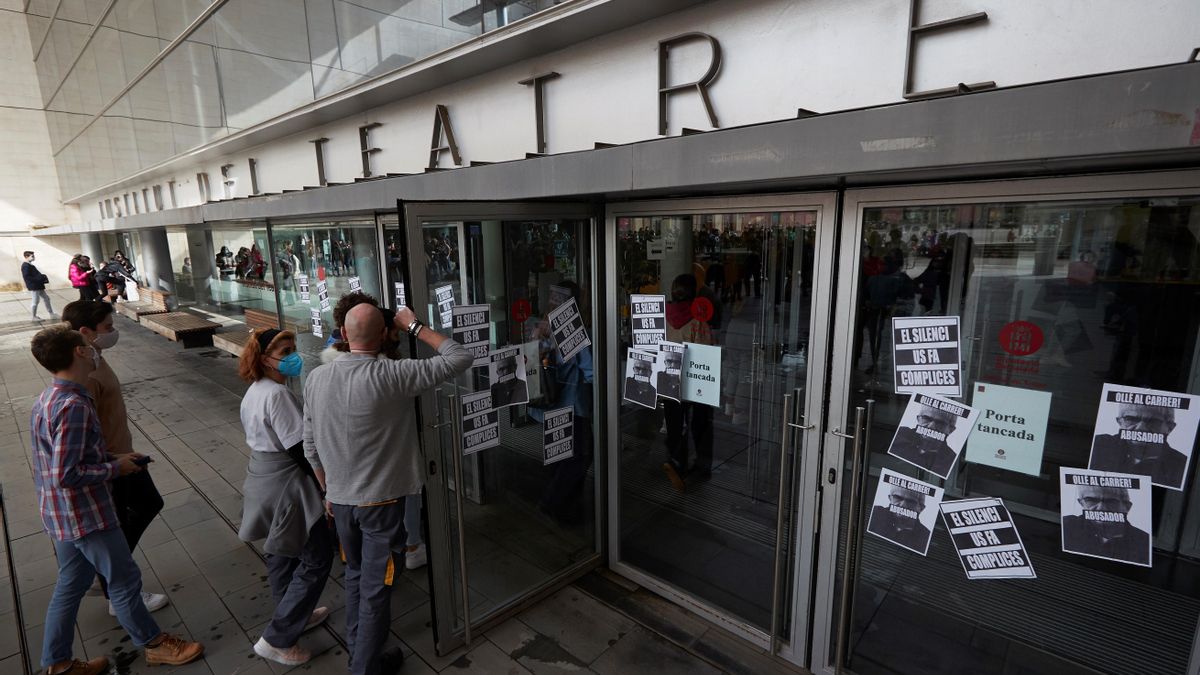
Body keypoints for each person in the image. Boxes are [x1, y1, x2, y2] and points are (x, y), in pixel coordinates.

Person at [304, 303, 472, 675]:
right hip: (381, 504)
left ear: (343, 335)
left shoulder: (317, 379)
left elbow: (309, 445)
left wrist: (328, 491)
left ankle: (361, 655)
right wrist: (414, 325)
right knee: (376, 588)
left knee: (354, 578)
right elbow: (459, 357)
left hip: (341, 503)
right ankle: (364, 668)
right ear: (383, 335)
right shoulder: (394, 374)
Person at [29, 325, 203, 675]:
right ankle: (154, 644)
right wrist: (115, 468)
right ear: (79, 352)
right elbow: (67, 473)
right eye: (87, 345)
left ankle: (59, 664)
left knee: (71, 583)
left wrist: (114, 458)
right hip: (86, 514)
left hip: (60, 514)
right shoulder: (73, 406)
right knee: (123, 579)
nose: (94, 349)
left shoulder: (48, 398)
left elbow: (66, 459)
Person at [61, 301, 170, 616]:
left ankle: (106, 573)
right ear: (86, 332)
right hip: (112, 463)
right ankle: (116, 590)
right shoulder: (87, 375)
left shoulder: (95, 357)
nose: (113, 332)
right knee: (123, 521)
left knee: (146, 506)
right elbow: (84, 431)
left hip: (123, 455)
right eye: (107, 327)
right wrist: (111, 462)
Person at [237, 328, 333, 667]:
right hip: (286, 485)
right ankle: (279, 638)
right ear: (265, 359)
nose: (293, 356)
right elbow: (300, 449)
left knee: (282, 553)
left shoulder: (255, 391)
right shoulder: (277, 395)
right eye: (285, 352)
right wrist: (325, 487)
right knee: (317, 556)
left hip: (263, 478)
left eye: (293, 349)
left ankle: (293, 614)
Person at [529, 281, 594, 523]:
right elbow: (591, 370)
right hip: (572, 405)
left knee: (557, 455)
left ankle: (565, 506)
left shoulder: (540, 326)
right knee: (581, 456)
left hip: (547, 406)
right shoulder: (571, 330)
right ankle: (552, 503)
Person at [661, 274, 714, 493]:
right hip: (694, 379)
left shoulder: (662, 315)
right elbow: (705, 350)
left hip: (669, 378)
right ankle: (702, 465)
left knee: (674, 423)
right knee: (700, 422)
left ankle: (677, 462)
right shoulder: (698, 319)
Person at [1089, 402, 1189, 489]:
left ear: (1170, 428)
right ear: (1120, 422)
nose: (1141, 428)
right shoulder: (1097, 446)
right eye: (1131, 419)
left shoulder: (1183, 467)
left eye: (1153, 421)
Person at [1062, 484, 1151, 565]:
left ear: (1127, 507)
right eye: (1091, 500)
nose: (1101, 508)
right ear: (1081, 503)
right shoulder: (1066, 526)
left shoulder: (1144, 542)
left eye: (1110, 501)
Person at [888, 402, 960, 477]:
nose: (931, 426)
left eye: (940, 423)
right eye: (926, 419)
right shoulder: (898, 435)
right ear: (918, 419)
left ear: (951, 429)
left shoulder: (952, 461)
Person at [867, 482, 933, 553]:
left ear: (921, 508)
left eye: (910, 501)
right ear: (890, 498)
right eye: (898, 498)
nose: (903, 505)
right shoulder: (874, 513)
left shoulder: (926, 537)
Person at [22, 250, 56, 321]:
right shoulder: (25, 265)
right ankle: (33, 317)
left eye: (33, 256)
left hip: (38, 285)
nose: (34, 257)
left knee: (46, 298)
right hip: (34, 286)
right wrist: (38, 278)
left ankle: (51, 314)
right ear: (26, 256)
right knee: (35, 301)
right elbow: (27, 277)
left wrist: (40, 277)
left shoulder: (30, 265)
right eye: (32, 256)